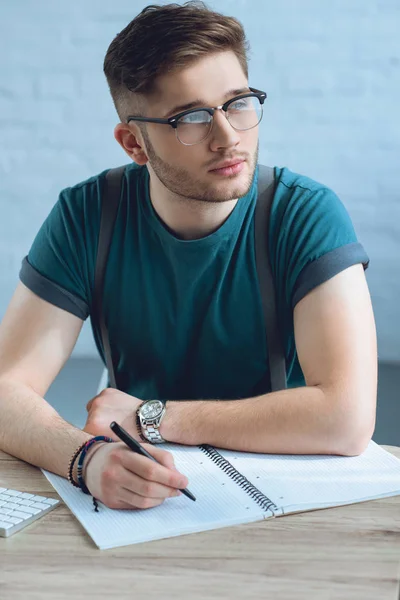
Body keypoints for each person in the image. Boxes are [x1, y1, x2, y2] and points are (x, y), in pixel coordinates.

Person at [0, 1, 377, 512]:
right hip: (141, 484)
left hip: (283, 485)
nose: (229, 137)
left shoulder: (305, 213)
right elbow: (5, 390)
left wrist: (155, 416)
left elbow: (346, 418)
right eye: (191, 117)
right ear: (134, 143)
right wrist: (85, 459)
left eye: (239, 102)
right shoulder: (88, 213)